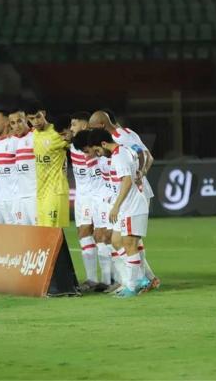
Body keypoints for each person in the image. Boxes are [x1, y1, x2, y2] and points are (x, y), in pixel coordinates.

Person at [88, 110, 160, 290]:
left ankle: (138, 281)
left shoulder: (124, 137)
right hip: (119, 194)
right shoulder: (108, 145)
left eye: (93, 128)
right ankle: (143, 279)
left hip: (133, 194)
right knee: (125, 240)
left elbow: (146, 155)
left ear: (102, 125)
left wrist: (141, 174)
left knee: (129, 240)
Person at [72, 129, 119, 293]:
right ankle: (107, 280)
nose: (85, 155)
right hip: (98, 200)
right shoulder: (93, 159)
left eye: (87, 151)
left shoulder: (109, 158)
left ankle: (119, 280)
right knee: (101, 237)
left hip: (109, 200)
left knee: (112, 238)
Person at [68, 114, 109, 292]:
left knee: (103, 235)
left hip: (100, 194)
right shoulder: (70, 144)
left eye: (74, 123)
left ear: (85, 124)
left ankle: (108, 280)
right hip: (83, 196)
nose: (71, 128)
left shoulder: (98, 143)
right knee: (84, 233)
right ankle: (92, 279)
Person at [28, 108, 70, 228]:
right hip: (41, 193)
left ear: (44, 113)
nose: (36, 121)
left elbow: (76, 143)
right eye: (31, 118)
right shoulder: (33, 134)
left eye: (38, 116)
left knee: (52, 231)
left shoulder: (57, 132)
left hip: (56, 189)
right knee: (45, 233)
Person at [9, 110, 37, 225]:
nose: (17, 125)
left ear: (26, 120)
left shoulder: (36, 136)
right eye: (13, 123)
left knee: (40, 235)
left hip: (35, 196)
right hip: (18, 198)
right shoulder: (12, 141)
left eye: (19, 121)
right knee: (22, 237)